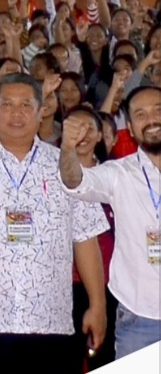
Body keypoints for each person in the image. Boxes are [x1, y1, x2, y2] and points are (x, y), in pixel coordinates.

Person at [0, 73, 109, 374]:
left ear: (41, 113)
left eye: (26, 104)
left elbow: (85, 238)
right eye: (7, 104)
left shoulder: (66, 166)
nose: (16, 112)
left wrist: (98, 304)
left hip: (49, 322)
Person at [59, 85, 161, 360]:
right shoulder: (119, 173)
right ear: (129, 126)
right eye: (140, 114)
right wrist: (68, 149)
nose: (151, 120)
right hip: (140, 318)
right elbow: (75, 182)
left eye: (158, 111)